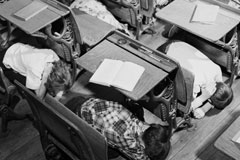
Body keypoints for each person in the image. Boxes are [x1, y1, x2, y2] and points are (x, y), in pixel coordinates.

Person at [63, 95, 171, 160]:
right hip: (76, 119)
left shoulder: (135, 120)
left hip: (83, 103)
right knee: (114, 154)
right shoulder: (129, 141)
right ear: (142, 146)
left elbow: (139, 124)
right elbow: (139, 157)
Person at [158, 40, 233, 119]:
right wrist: (202, 98)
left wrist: (209, 103)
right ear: (209, 98)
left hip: (177, 43)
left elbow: (219, 85)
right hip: (162, 54)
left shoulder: (217, 70)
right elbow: (185, 110)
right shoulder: (194, 85)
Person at [2, 42, 73, 99]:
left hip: (16, 47)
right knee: (31, 92)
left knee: (42, 86)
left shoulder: (54, 57)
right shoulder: (36, 68)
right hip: (6, 61)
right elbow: (39, 97)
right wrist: (45, 77)